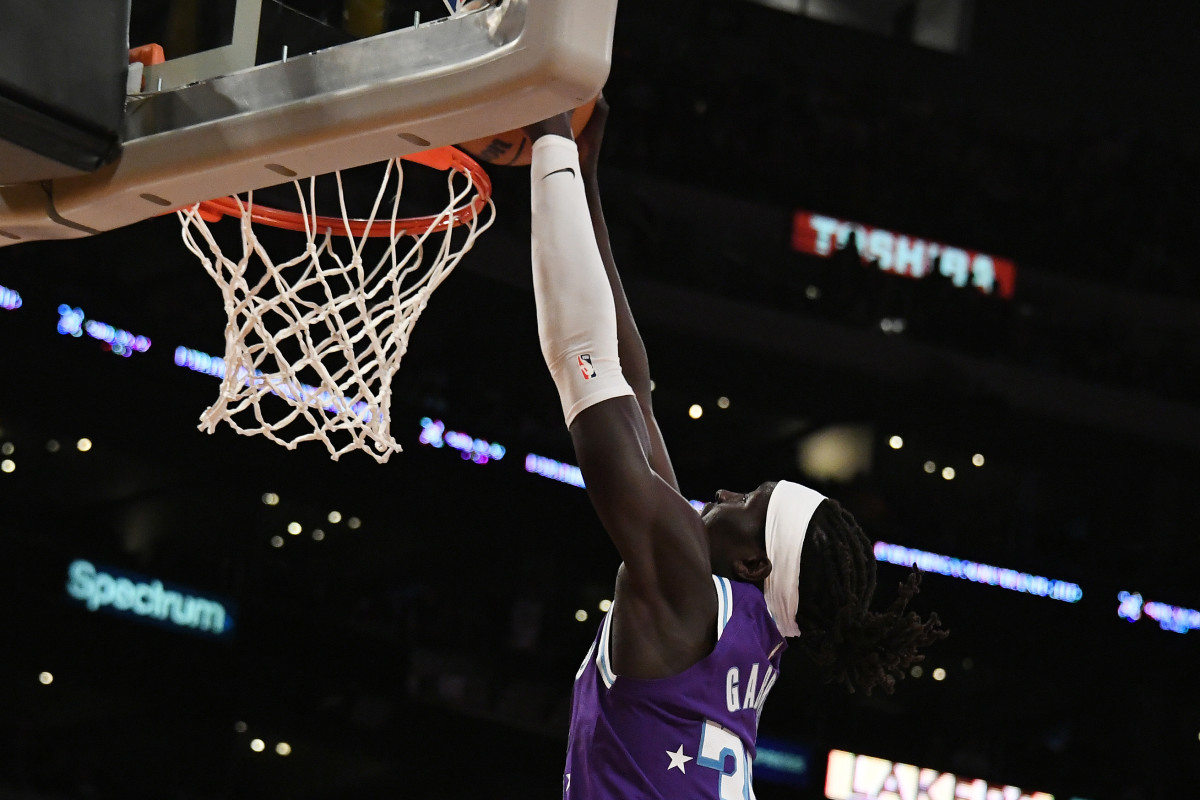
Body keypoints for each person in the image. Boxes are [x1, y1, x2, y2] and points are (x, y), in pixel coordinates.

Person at [525, 98, 946, 799]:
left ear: (755, 562)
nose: (723, 493)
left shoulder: (691, 593)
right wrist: (582, 180)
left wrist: (546, 137)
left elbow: (585, 364)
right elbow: (631, 388)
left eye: (747, 501)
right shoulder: (745, 630)